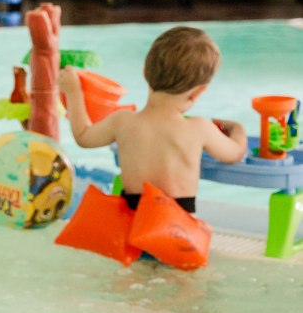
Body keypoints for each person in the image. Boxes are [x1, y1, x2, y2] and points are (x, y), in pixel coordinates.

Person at [58, 26, 247, 213]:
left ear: (145, 73)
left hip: (132, 227)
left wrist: (73, 92)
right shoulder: (199, 128)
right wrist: (237, 128)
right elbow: (235, 153)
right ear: (198, 92)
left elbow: (83, 136)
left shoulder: (123, 122)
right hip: (176, 232)